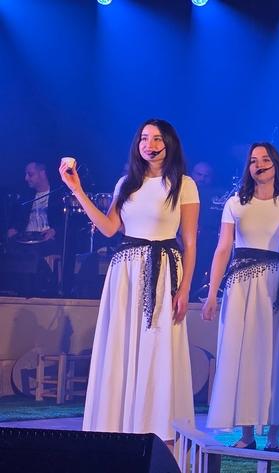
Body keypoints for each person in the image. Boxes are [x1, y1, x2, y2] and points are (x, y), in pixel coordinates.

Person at [59, 118, 199, 445]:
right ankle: (117, 423)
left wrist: (185, 289)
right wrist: (77, 190)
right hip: (125, 271)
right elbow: (109, 228)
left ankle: (158, 427)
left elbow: (190, 242)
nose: (150, 145)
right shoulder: (126, 184)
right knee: (122, 343)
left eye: (157, 139)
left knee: (158, 346)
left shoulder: (184, 184)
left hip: (164, 270)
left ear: (169, 144)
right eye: (144, 139)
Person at [202, 142, 279, 452]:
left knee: (278, 356)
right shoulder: (235, 203)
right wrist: (212, 294)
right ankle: (247, 434)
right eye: (253, 160)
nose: (258, 165)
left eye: (264, 159)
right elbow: (223, 249)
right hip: (241, 289)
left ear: (276, 164)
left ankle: (274, 437)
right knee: (244, 355)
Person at [6, 162, 66, 292]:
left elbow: (66, 223)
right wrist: (14, 229)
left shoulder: (58, 196)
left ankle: (44, 284)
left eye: (30, 174)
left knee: (32, 252)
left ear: (42, 174)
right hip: (26, 239)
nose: (26, 178)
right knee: (9, 248)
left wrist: (55, 230)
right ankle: (19, 288)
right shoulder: (26, 196)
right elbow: (19, 220)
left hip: (48, 239)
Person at [190, 161, 228, 300]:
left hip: (211, 238)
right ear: (192, 174)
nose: (202, 179)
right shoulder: (182, 192)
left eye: (206, 176)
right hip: (186, 241)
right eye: (199, 174)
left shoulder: (219, 194)